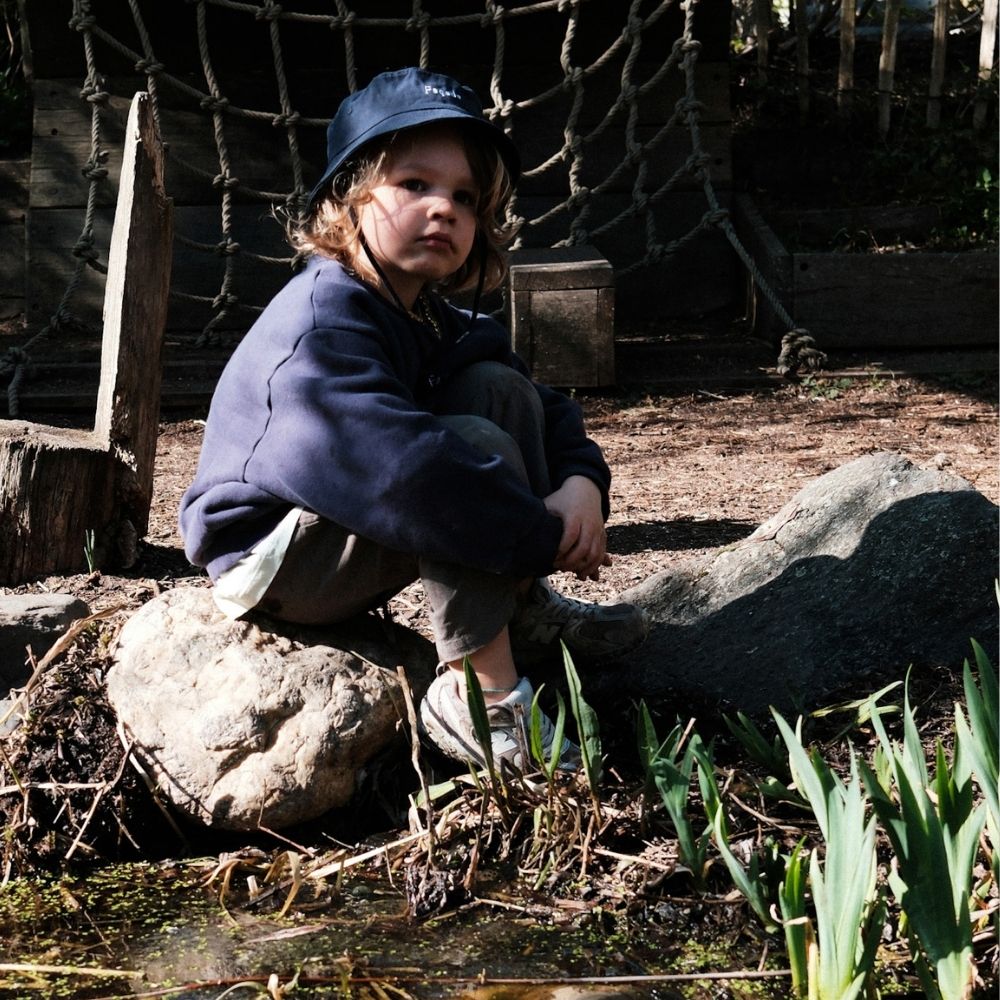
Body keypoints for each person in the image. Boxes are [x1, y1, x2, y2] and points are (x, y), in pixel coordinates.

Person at [179, 67, 647, 773]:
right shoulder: (320, 321)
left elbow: (539, 402)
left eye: (465, 197)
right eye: (415, 185)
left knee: (496, 391)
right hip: (272, 557)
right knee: (468, 450)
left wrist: (582, 481)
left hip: (350, 517)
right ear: (348, 198)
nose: (445, 209)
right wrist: (535, 536)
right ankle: (479, 698)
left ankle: (518, 613)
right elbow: (408, 476)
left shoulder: (427, 311)